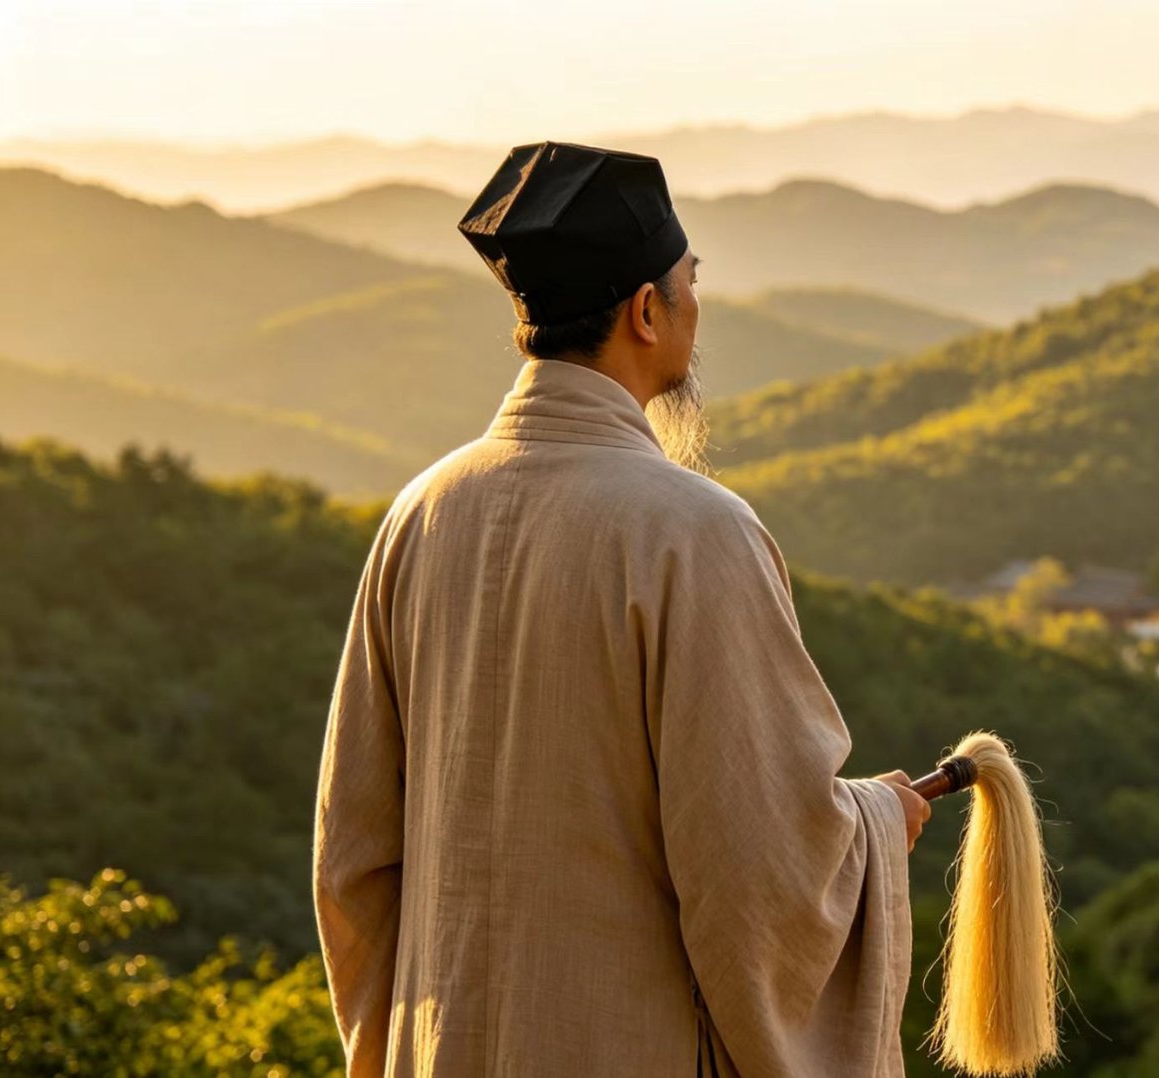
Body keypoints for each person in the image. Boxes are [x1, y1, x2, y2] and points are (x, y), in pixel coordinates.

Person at [312, 141, 931, 1077]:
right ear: (648, 310)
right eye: (690, 280)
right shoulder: (697, 533)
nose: (695, 303)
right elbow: (759, 869)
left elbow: (353, 857)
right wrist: (876, 822)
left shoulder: (421, 512)